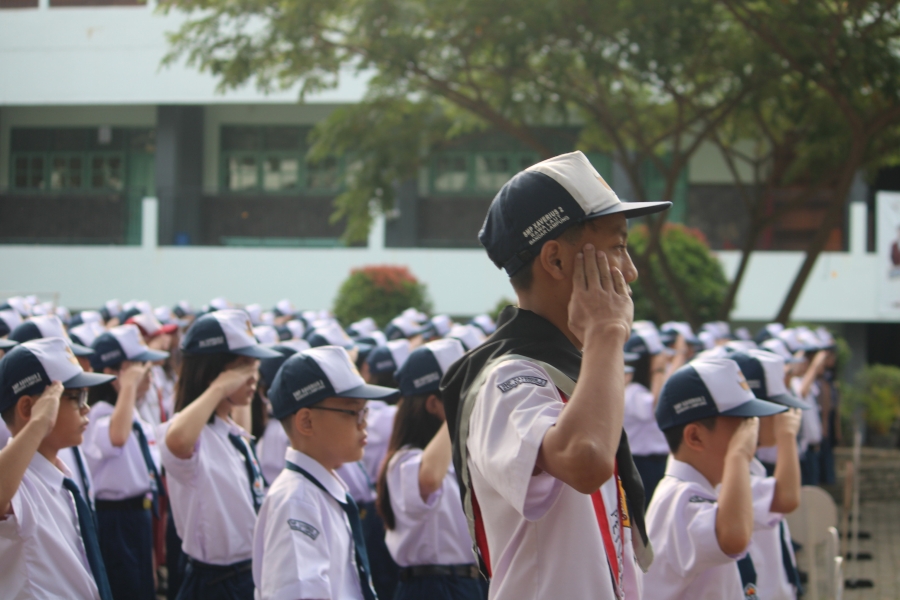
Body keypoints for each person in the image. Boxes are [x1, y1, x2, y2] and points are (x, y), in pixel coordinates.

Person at [441, 151, 670, 599]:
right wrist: (606, 331)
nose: (631, 272)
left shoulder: (576, 371)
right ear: (557, 261)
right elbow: (584, 460)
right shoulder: (504, 378)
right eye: (618, 247)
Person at [252, 345, 398, 600]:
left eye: (366, 411)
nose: (364, 423)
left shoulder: (319, 490)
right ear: (306, 422)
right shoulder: (297, 501)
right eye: (353, 412)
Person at [160, 309, 280, 600]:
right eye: (242, 366)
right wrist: (219, 387)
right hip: (215, 583)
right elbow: (175, 440)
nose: (254, 377)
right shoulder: (191, 434)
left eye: (255, 365)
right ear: (215, 372)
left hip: (247, 574)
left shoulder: (229, 431)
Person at [644, 357, 786, 599]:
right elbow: (733, 537)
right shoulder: (678, 498)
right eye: (742, 426)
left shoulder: (703, 488)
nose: (752, 436)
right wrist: (738, 455)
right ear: (695, 437)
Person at [0, 338, 116, 599]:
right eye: (76, 397)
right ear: (28, 408)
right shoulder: (18, 482)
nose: (86, 407)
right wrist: (39, 423)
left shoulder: (59, 476)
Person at [379, 338, 488, 600]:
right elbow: (427, 479)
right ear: (432, 404)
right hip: (433, 586)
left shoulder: (457, 455)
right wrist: (459, 407)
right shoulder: (404, 460)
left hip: (469, 582)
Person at [84, 324, 168, 600]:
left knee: (142, 588)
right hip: (114, 518)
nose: (149, 377)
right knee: (124, 589)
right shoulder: (99, 413)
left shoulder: (132, 412)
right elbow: (117, 437)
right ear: (111, 374)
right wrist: (128, 385)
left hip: (139, 513)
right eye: (142, 369)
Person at [727, 350, 806, 600]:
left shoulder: (754, 465)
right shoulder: (733, 473)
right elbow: (787, 498)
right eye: (777, 409)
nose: (784, 416)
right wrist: (787, 437)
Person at [623, 326, 685, 506]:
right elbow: (655, 406)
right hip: (641, 463)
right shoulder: (633, 390)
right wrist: (659, 370)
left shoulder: (642, 388)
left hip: (657, 461)